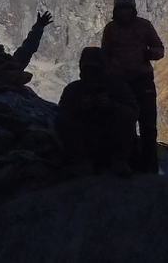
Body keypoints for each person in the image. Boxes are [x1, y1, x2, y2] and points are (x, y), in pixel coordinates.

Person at [100, 0, 165, 173]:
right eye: (121, 8)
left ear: (133, 8)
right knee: (123, 123)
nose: (125, 11)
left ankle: (149, 167)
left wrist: (149, 54)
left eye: (127, 8)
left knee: (148, 125)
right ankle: (126, 163)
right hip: (119, 83)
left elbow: (160, 49)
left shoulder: (144, 26)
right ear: (116, 9)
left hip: (142, 81)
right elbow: (105, 54)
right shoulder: (110, 29)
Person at [55, 46, 139, 177]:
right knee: (64, 119)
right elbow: (61, 115)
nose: (92, 74)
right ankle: (80, 162)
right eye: (88, 69)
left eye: (96, 69)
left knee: (125, 114)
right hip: (84, 141)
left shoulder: (117, 86)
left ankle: (119, 162)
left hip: (110, 140)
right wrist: (80, 107)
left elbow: (133, 113)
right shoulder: (73, 89)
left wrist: (112, 106)